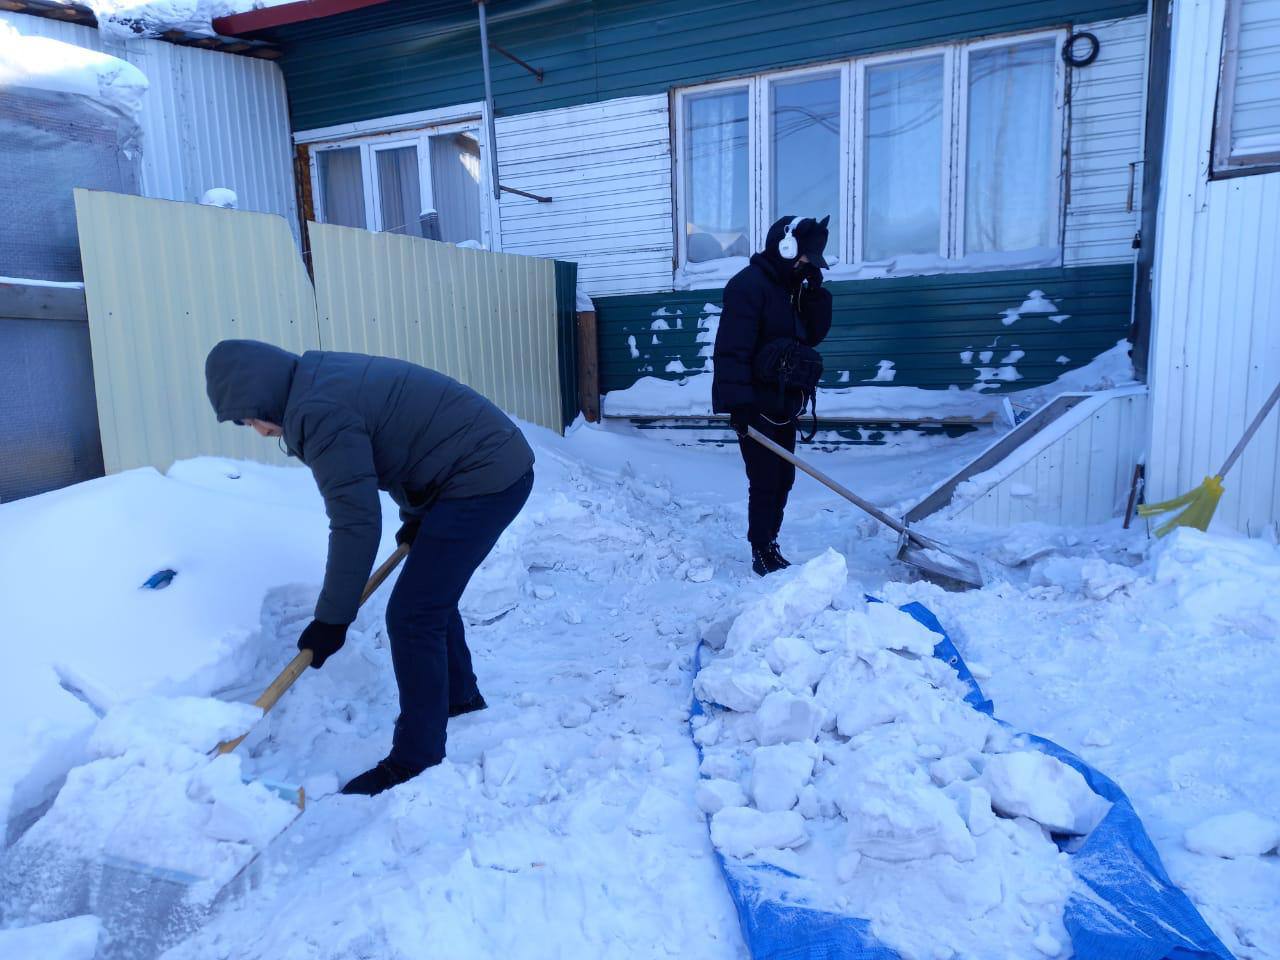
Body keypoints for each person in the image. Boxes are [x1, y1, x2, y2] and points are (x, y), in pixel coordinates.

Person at [204, 340, 534, 796]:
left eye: (249, 419)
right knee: (429, 592)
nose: (258, 432)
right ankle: (457, 697)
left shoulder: (318, 411)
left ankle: (415, 759)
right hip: (478, 463)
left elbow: (355, 523)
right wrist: (418, 518)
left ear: (259, 396)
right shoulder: (317, 384)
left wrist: (331, 619)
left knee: (413, 614)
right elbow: (401, 444)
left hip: (486, 475)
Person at [712, 215, 833, 577]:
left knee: (784, 479)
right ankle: (760, 549)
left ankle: (771, 541)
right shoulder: (748, 286)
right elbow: (731, 349)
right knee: (764, 480)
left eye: (809, 262)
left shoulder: (791, 287)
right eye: (803, 259)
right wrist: (740, 407)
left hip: (785, 403)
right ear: (784, 246)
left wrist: (814, 290)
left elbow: (812, 335)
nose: (804, 265)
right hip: (757, 406)